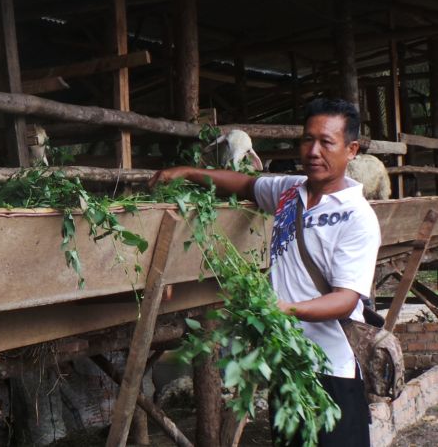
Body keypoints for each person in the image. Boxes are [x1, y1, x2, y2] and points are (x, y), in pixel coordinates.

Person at [149, 98, 380, 446]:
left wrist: (285, 310)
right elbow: (244, 184)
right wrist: (188, 172)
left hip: (332, 370)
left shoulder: (357, 217)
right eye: (307, 139)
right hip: (286, 362)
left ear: (351, 150)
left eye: (326, 142)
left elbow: (346, 300)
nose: (313, 151)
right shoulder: (289, 192)